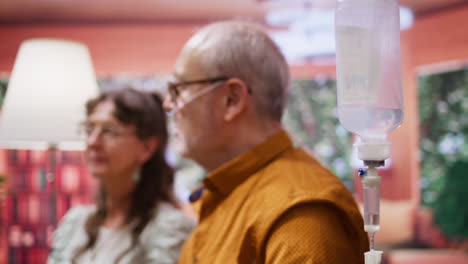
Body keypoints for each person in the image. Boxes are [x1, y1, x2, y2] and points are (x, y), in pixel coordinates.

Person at [163, 21, 369, 264]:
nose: (168, 105)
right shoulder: (225, 194)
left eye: (179, 90)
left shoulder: (300, 215)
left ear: (231, 99)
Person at [48, 88, 195, 264]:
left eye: (109, 131)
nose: (93, 142)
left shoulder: (169, 228)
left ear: (146, 147)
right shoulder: (75, 222)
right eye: (89, 129)